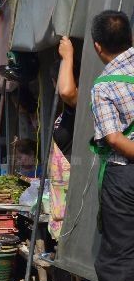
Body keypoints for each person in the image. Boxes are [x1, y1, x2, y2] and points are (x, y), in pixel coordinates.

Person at [87, 11, 134, 281]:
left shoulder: (104, 86)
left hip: (124, 174)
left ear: (97, 46)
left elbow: (114, 138)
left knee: (118, 250)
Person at [49, 36, 79, 239]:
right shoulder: (63, 113)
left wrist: (68, 57)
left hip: (73, 176)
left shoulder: (76, 101)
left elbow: (67, 92)